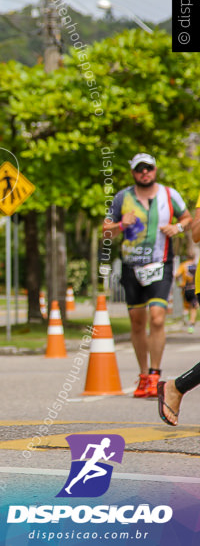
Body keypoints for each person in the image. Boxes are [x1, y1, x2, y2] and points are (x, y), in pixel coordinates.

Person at [102, 153, 191, 398]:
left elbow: (187, 218)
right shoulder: (122, 197)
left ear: (155, 170)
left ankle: (155, 374)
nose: (145, 173)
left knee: (158, 318)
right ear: (133, 172)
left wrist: (177, 227)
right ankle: (143, 376)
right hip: (132, 267)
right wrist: (121, 224)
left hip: (160, 264)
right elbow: (105, 231)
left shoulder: (169, 195)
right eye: (140, 169)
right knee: (138, 321)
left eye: (148, 168)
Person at [174, 252, 197, 333]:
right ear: (194, 258)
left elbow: (176, 275)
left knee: (186, 306)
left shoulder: (183, 265)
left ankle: (185, 317)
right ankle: (191, 325)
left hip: (185, 288)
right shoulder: (196, 266)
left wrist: (178, 283)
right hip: (195, 288)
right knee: (193, 307)